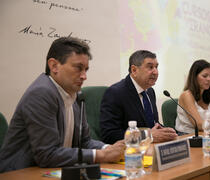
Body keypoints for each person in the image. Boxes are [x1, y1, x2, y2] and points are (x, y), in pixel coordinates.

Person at [0, 37, 125, 173]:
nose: (84, 76)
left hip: (54, 171)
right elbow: (47, 155)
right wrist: (101, 155)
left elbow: (85, 142)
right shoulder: (41, 93)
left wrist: (110, 149)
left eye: (86, 70)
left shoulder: (76, 95)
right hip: (20, 173)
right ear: (54, 66)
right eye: (78, 68)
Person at [100, 50, 178, 144]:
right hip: (130, 154)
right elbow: (109, 135)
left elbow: (151, 124)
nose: (155, 72)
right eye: (150, 67)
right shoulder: (115, 93)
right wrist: (148, 135)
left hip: (150, 148)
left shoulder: (149, 91)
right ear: (134, 70)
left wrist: (165, 131)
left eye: (156, 67)